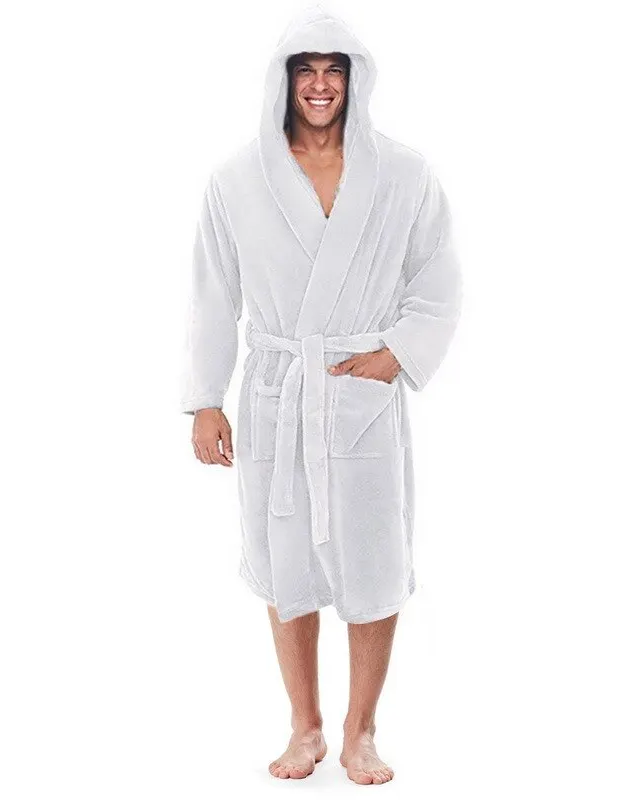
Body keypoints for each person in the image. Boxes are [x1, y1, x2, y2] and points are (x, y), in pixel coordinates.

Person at [181, 6, 462, 785]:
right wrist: (206, 399)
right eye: (305, 69)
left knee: (376, 558)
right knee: (287, 559)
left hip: (358, 392)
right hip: (278, 390)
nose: (319, 84)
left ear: (354, 80)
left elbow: (438, 278)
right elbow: (212, 295)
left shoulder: (403, 173)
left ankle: (359, 729)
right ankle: (303, 725)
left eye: (333, 70)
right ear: (283, 80)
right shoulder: (236, 179)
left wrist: (396, 354)